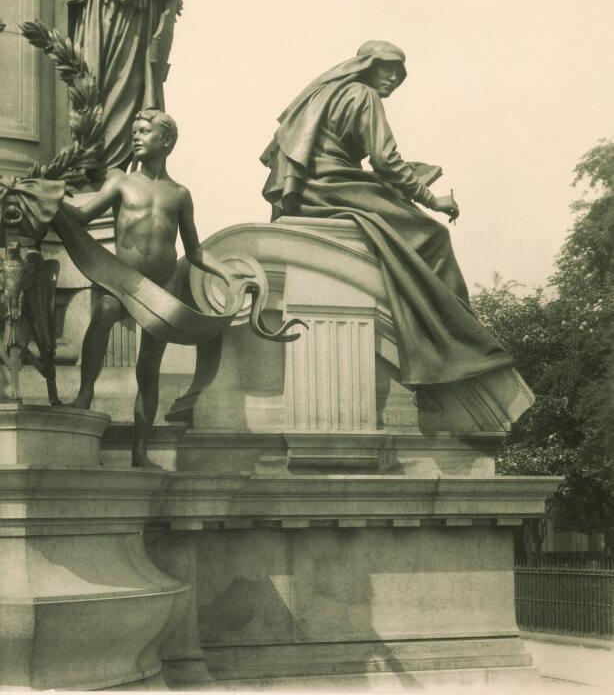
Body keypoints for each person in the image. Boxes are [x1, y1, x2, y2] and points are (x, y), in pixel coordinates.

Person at [261, 40, 514, 388]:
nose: (394, 77)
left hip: (310, 190)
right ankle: (458, 344)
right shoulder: (364, 95)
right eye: (387, 68)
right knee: (433, 236)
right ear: (366, 65)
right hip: (334, 188)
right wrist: (430, 199)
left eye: (399, 72)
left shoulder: (325, 93)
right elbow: (385, 160)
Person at [65, 109, 235, 467]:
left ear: (166, 141)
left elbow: (195, 250)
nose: (136, 137)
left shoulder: (180, 194)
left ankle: (140, 450)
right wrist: (53, 198)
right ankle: (84, 393)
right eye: (134, 132)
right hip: (122, 281)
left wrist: (228, 274)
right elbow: (82, 217)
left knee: (149, 368)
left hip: (161, 290)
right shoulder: (120, 183)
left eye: (144, 131)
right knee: (104, 312)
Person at [67, 0, 181, 173]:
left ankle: (116, 172)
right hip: (113, 8)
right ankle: (102, 171)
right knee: (115, 86)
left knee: (137, 87)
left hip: (140, 10)